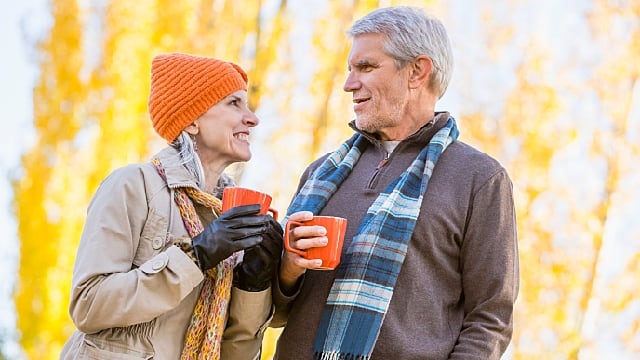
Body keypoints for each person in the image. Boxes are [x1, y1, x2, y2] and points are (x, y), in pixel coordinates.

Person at [272, 6, 519, 360]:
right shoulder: (320, 174)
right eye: (349, 70)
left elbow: (491, 317)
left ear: (417, 72)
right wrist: (289, 268)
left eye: (366, 67)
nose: (348, 84)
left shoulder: (479, 179)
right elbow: (275, 309)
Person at [60, 53, 283, 359]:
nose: (253, 118)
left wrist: (253, 284)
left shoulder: (229, 214)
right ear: (192, 120)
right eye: (234, 103)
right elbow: (89, 306)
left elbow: (234, 353)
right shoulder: (133, 185)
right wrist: (197, 255)